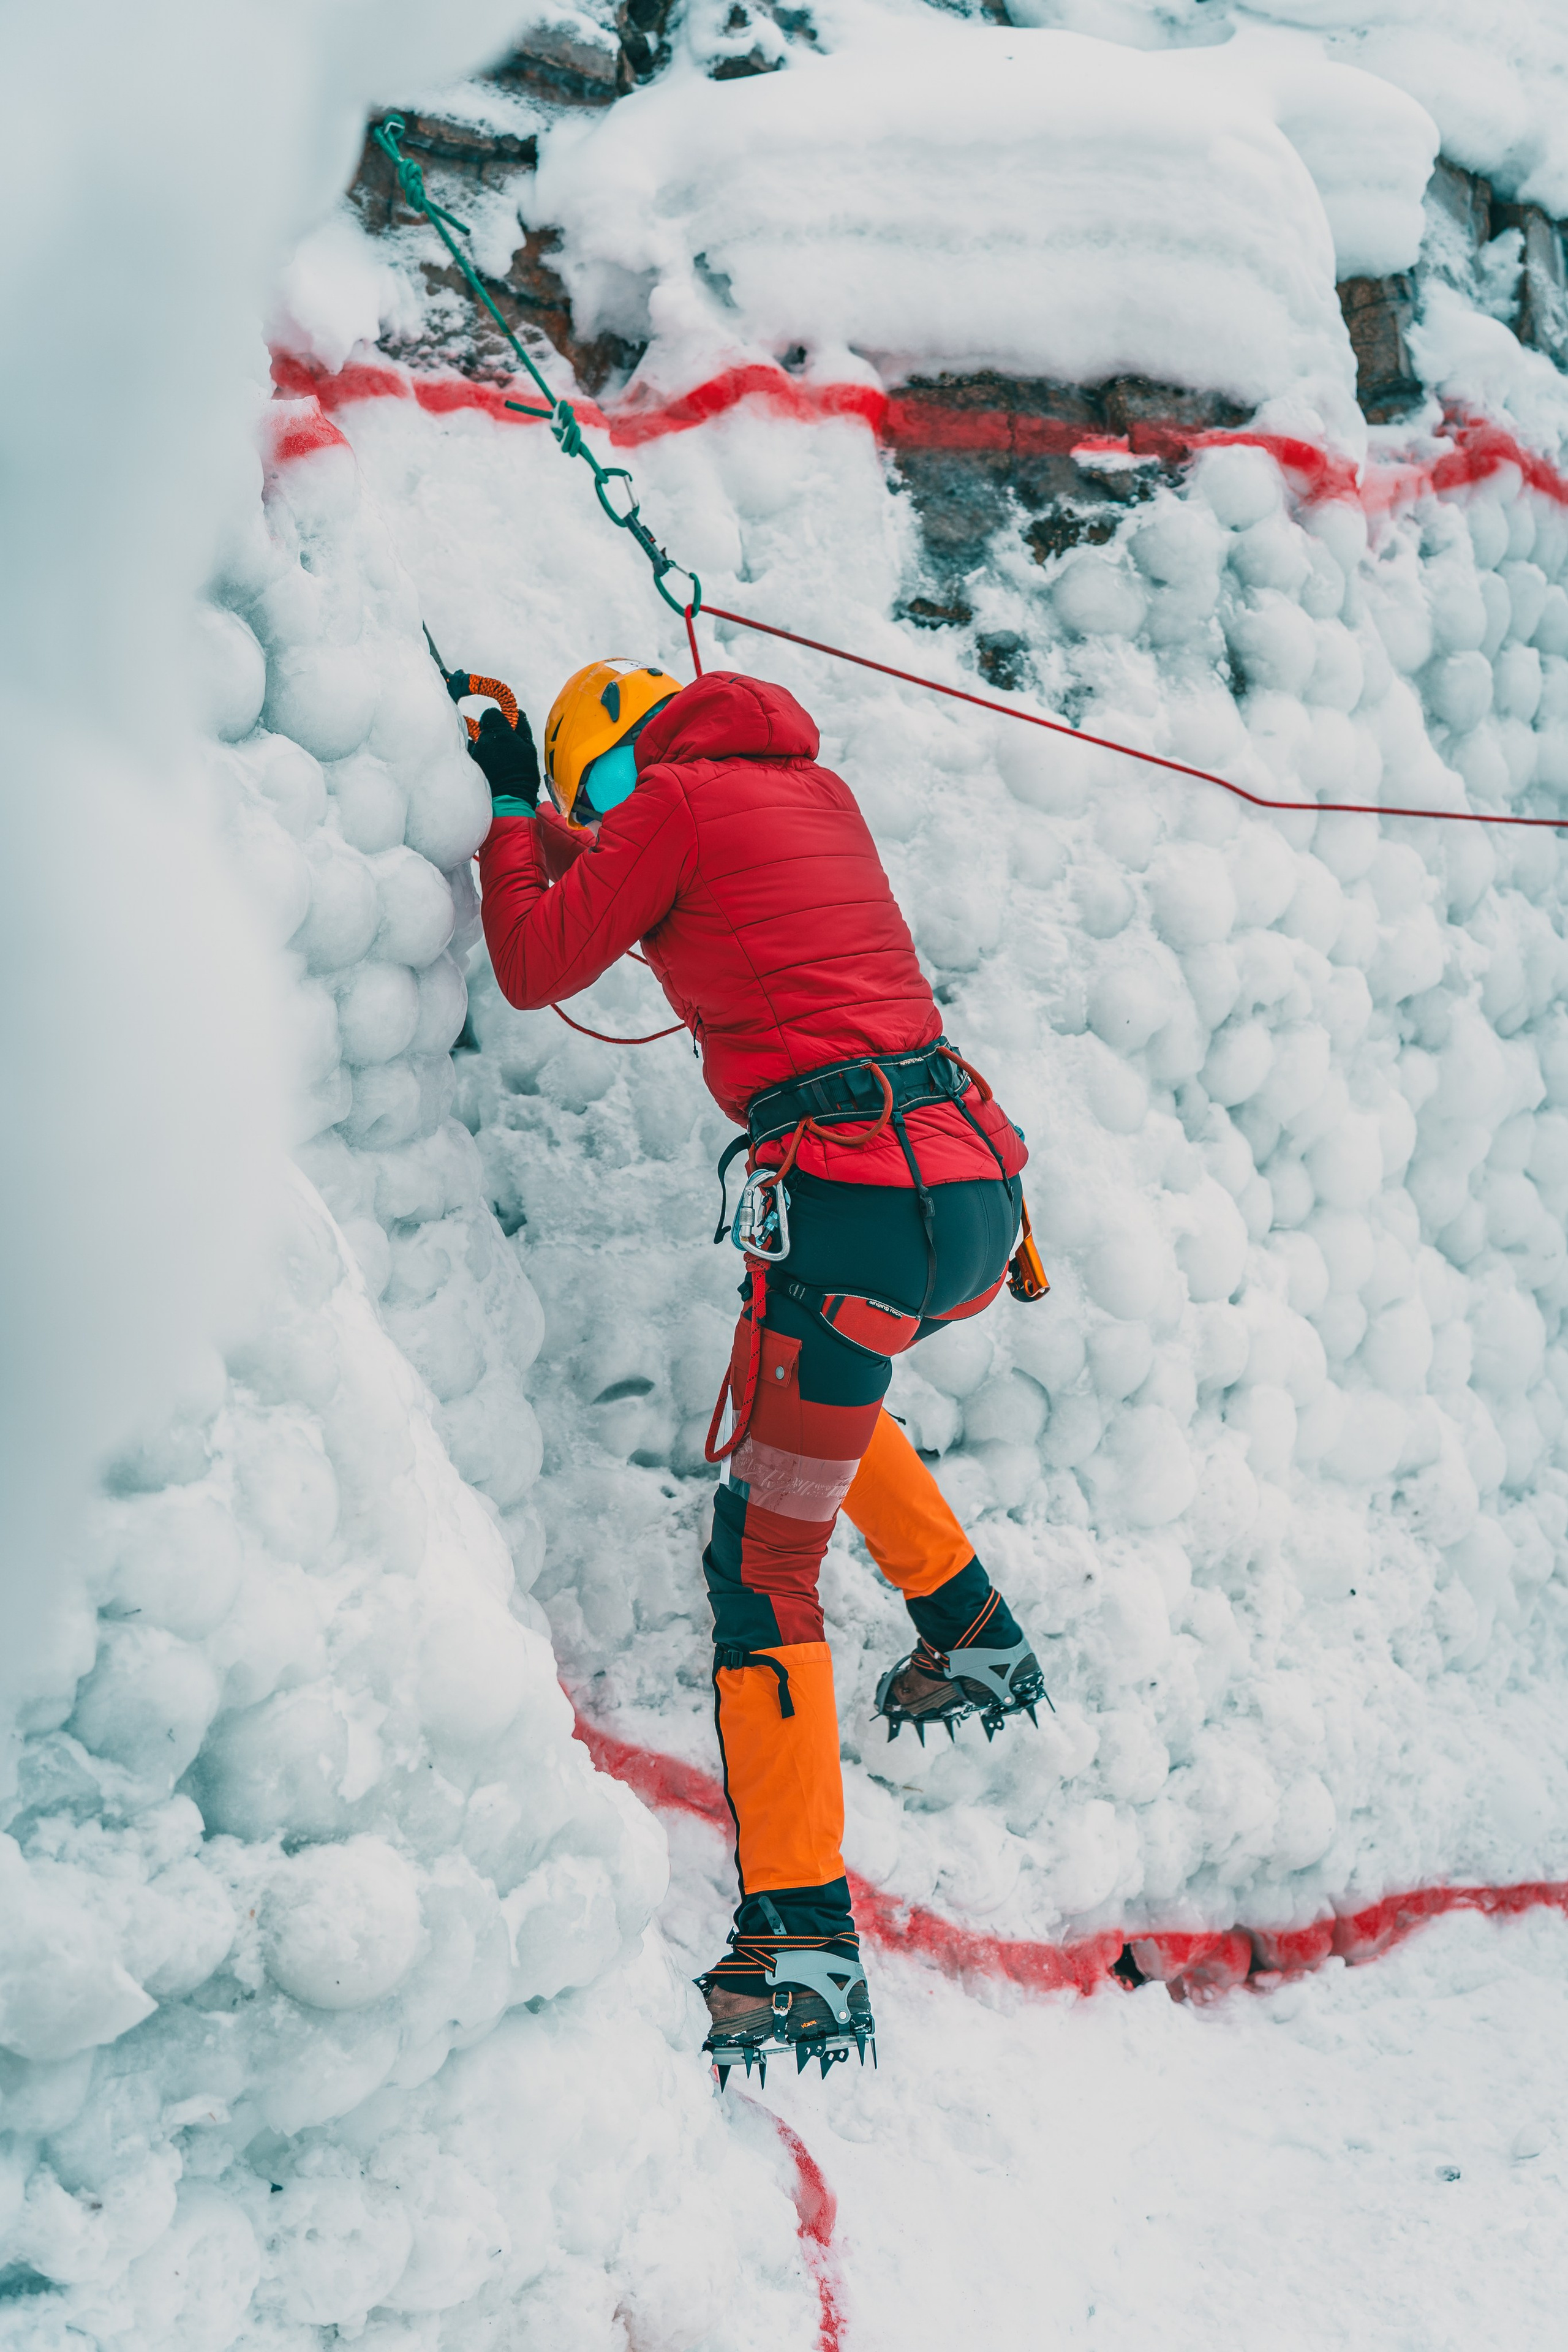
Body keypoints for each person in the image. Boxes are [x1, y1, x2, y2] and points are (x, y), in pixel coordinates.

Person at [462, 655, 1047, 2083]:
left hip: (859, 1204)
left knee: (760, 1568)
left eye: (588, 791)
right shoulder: (809, 785)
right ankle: (968, 1634)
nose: (599, 823)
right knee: (812, 1416)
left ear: (611, 761)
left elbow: (539, 962)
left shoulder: (659, 798)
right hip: (964, 1189)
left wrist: (507, 811)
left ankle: (801, 1949)